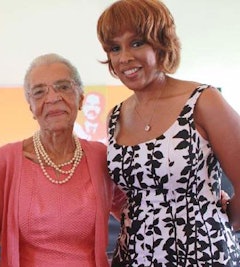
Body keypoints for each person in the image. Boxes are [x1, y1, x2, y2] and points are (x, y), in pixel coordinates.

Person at [96, 0, 240, 266]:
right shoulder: (115, 116)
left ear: (161, 42)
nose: (124, 57)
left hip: (202, 255)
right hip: (133, 256)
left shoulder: (203, 101)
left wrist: (222, 216)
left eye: (137, 42)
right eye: (114, 48)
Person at [0, 53, 125, 267]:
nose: (53, 97)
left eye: (63, 87)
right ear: (31, 108)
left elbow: (134, 213)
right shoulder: (3, 162)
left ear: (81, 98)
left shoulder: (102, 157)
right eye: (39, 92)